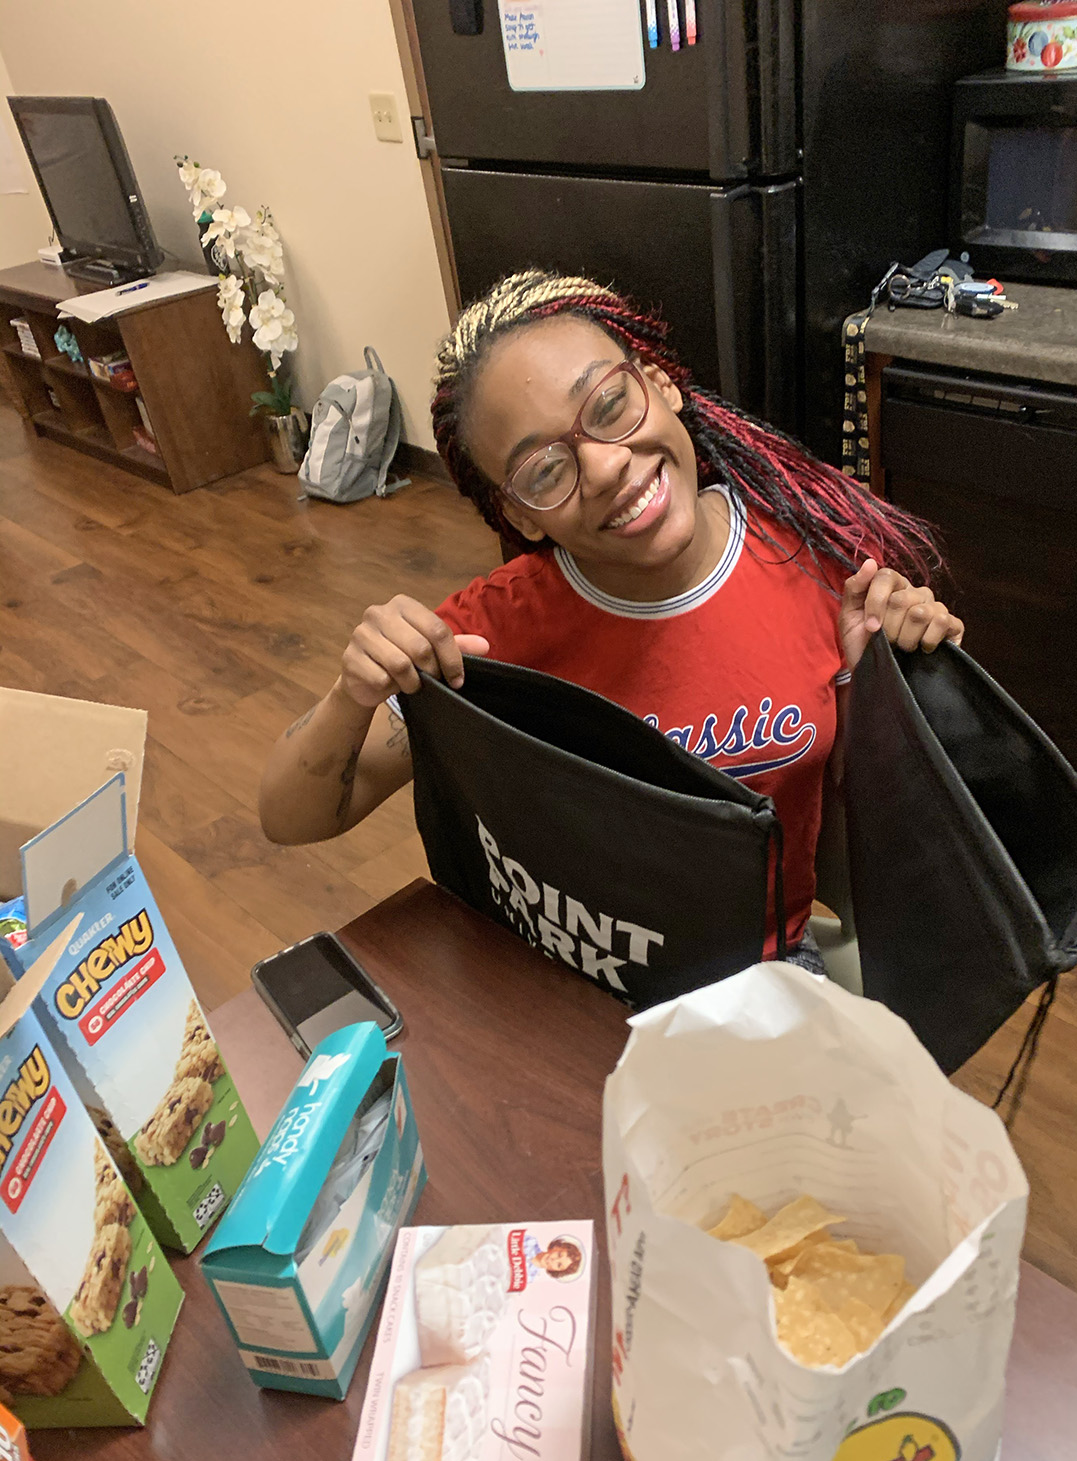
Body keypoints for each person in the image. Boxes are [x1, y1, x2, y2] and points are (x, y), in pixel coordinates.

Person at [260, 270, 963, 969]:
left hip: (755, 974)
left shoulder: (821, 572)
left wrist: (887, 685)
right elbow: (291, 817)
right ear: (517, 515)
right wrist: (353, 695)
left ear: (660, 384)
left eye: (608, 405)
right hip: (563, 971)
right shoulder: (488, 638)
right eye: (543, 471)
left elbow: (872, 838)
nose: (602, 468)